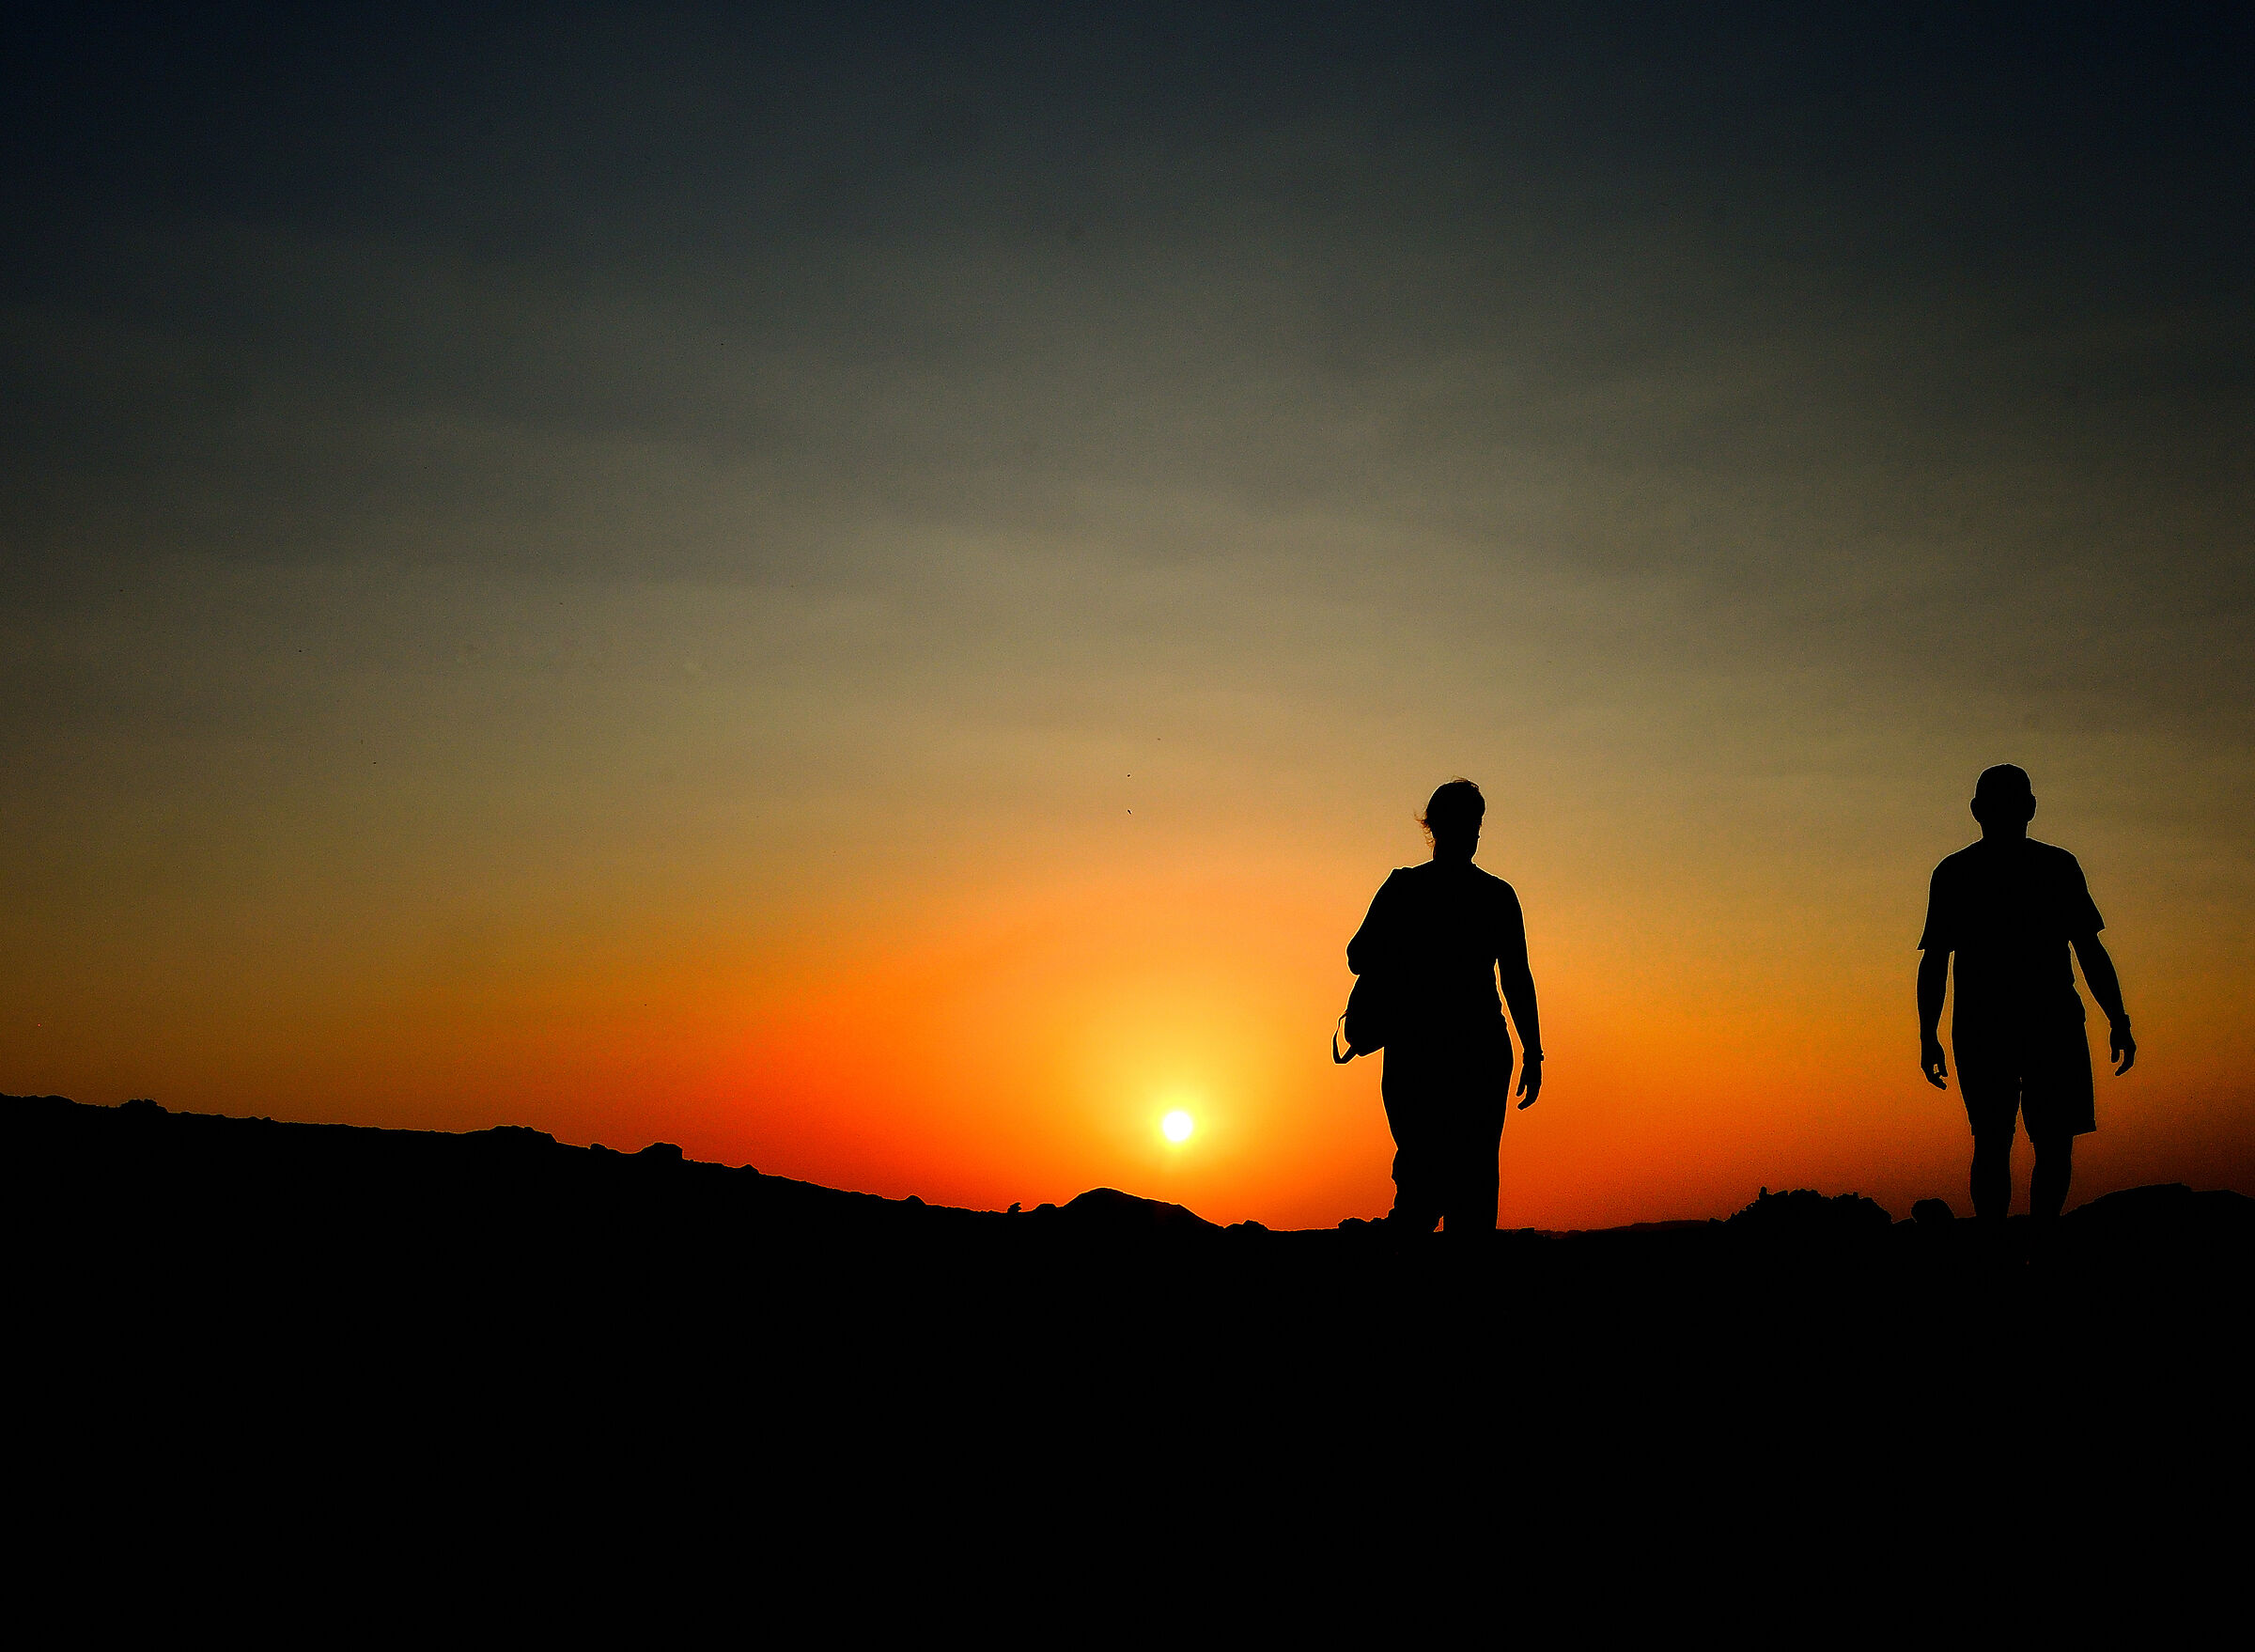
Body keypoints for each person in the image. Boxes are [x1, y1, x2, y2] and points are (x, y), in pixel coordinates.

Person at [1918, 764, 2135, 1227]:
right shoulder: (1978, 872)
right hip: (2020, 1025)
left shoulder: (1973, 871)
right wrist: (2118, 1019)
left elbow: (2088, 949)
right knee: (2015, 1143)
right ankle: (2023, 1247)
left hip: (2024, 1025)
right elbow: (1935, 959)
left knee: (2015, 1143)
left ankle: (2022, 1247)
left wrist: (2119, 1017)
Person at [1346, 779, 1542, 1235]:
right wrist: (1532, 1052)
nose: (1473, 834)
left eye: (1476, 825)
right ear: (1438, 827)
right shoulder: (1494, 895)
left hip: (1427, 1051)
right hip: (1462, 1052)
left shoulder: (1404, 889)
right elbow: (1515, 979)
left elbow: (1359, 955)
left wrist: (1534, 1052)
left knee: (1429, 1178)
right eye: (1468, 824)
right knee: (1460, 1184)